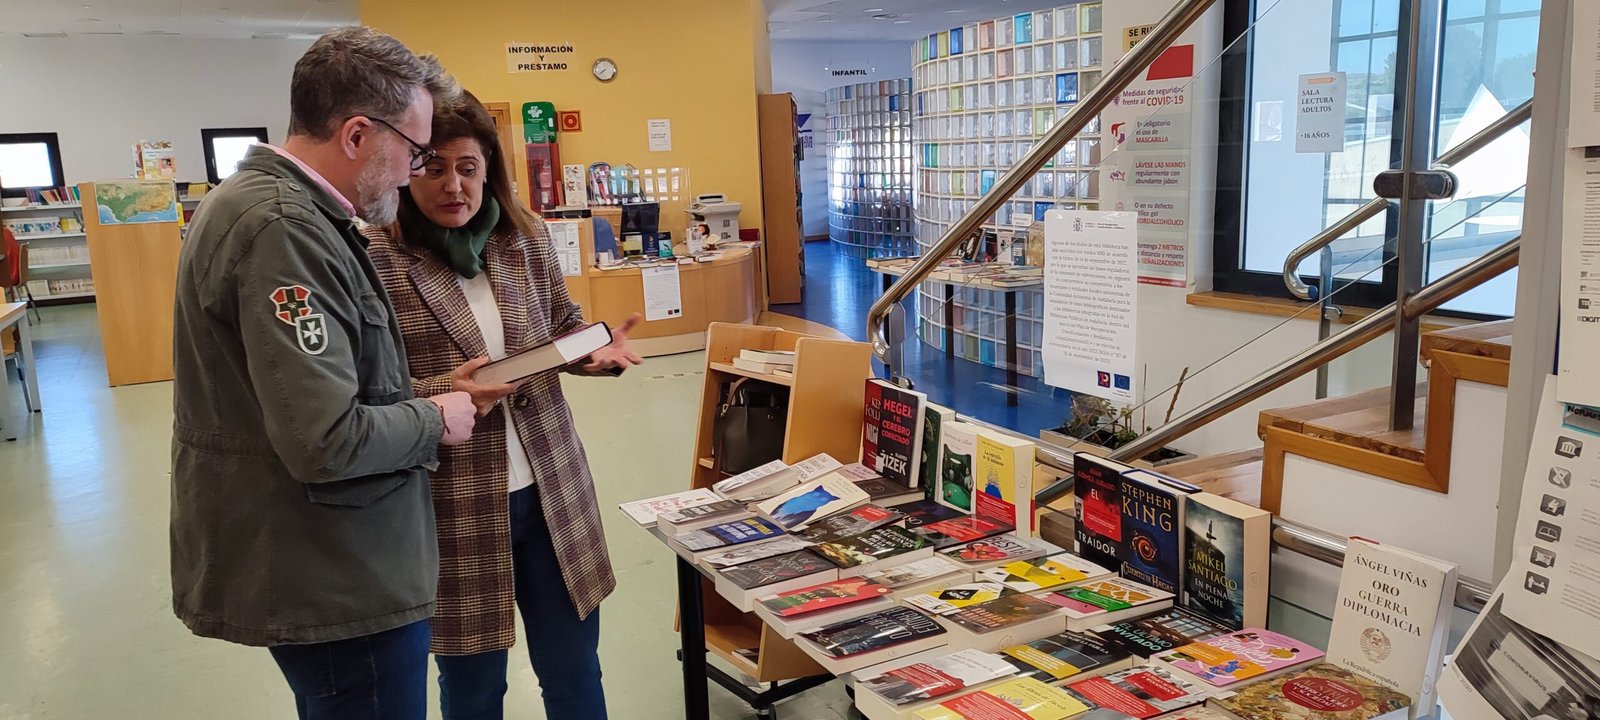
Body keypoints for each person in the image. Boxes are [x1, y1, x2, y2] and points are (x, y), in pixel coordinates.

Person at [170, 27, 478, 720]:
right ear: (358, 135)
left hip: (324, 562)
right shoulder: (284, 230)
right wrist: (435, 417)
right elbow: (325, 439)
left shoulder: (269, 209)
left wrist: (419, 393)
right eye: (415, 152)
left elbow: (309, 392)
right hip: (335, 574)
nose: (411, 174)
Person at [363, 91, 641, 720]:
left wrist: (593, 351)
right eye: (433, 167)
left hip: (552, 490)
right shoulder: (377, 256)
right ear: (407, 169)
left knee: (575, 671)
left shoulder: (524, 239)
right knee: (473, 687)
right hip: (452, 501)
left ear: (489, 169)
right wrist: (443, 391)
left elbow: (562, 326)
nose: (453, 185)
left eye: (468, 168)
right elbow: (366, 390)